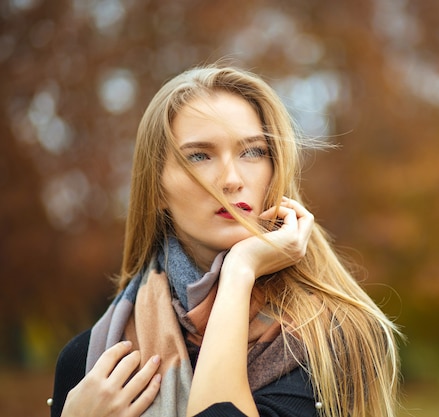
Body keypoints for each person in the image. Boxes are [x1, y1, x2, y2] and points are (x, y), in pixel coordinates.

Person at [50, 64, 402, 417]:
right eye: (199, 156)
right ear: (156, 188)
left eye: (252, 151)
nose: (232, 179)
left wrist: (240, 271)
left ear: (275, 168)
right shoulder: (90, 363)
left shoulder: (327, 340)